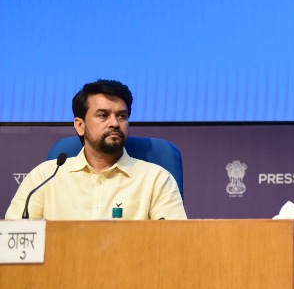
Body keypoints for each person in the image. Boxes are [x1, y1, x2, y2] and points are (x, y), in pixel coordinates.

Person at [6, 79, 187, 220]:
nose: (115, 123)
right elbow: (15, 240)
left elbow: (173, 242)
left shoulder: (156, 179)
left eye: (121, 116)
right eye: (103, 115)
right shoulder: (44, 177)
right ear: (80, 125)